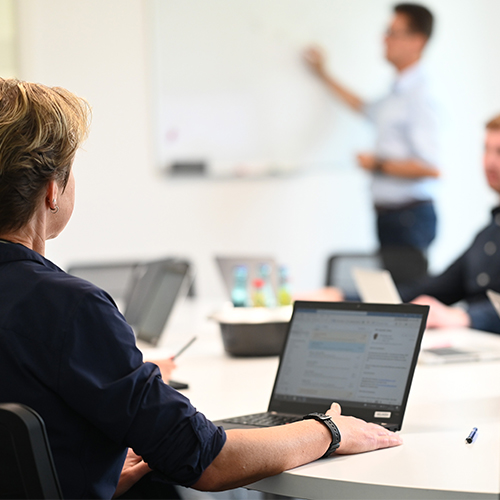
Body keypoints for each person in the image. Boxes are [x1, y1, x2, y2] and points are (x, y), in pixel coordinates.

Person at [0, 78, 402, 499]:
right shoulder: (69, 309)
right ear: (52, 191)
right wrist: (328, 430)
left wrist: (81, 479)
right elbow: (203, 459)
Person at [304, 3, 439, 283]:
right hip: (391, 217)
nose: (384, 39)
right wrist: (323, 73)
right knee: (394, 300)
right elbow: (363, 107)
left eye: (393, 32)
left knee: (406, 302)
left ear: (417, 41)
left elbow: (431, 167)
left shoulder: (419, 96)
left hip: (409, 218)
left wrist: (377, 164)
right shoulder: (397, 92)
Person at [398, 114, 500, 334]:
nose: (489, 162)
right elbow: (435, 288)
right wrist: (345, 298)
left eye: (499, 151)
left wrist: (463, 316)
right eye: (486, 149)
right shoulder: (488, 235)